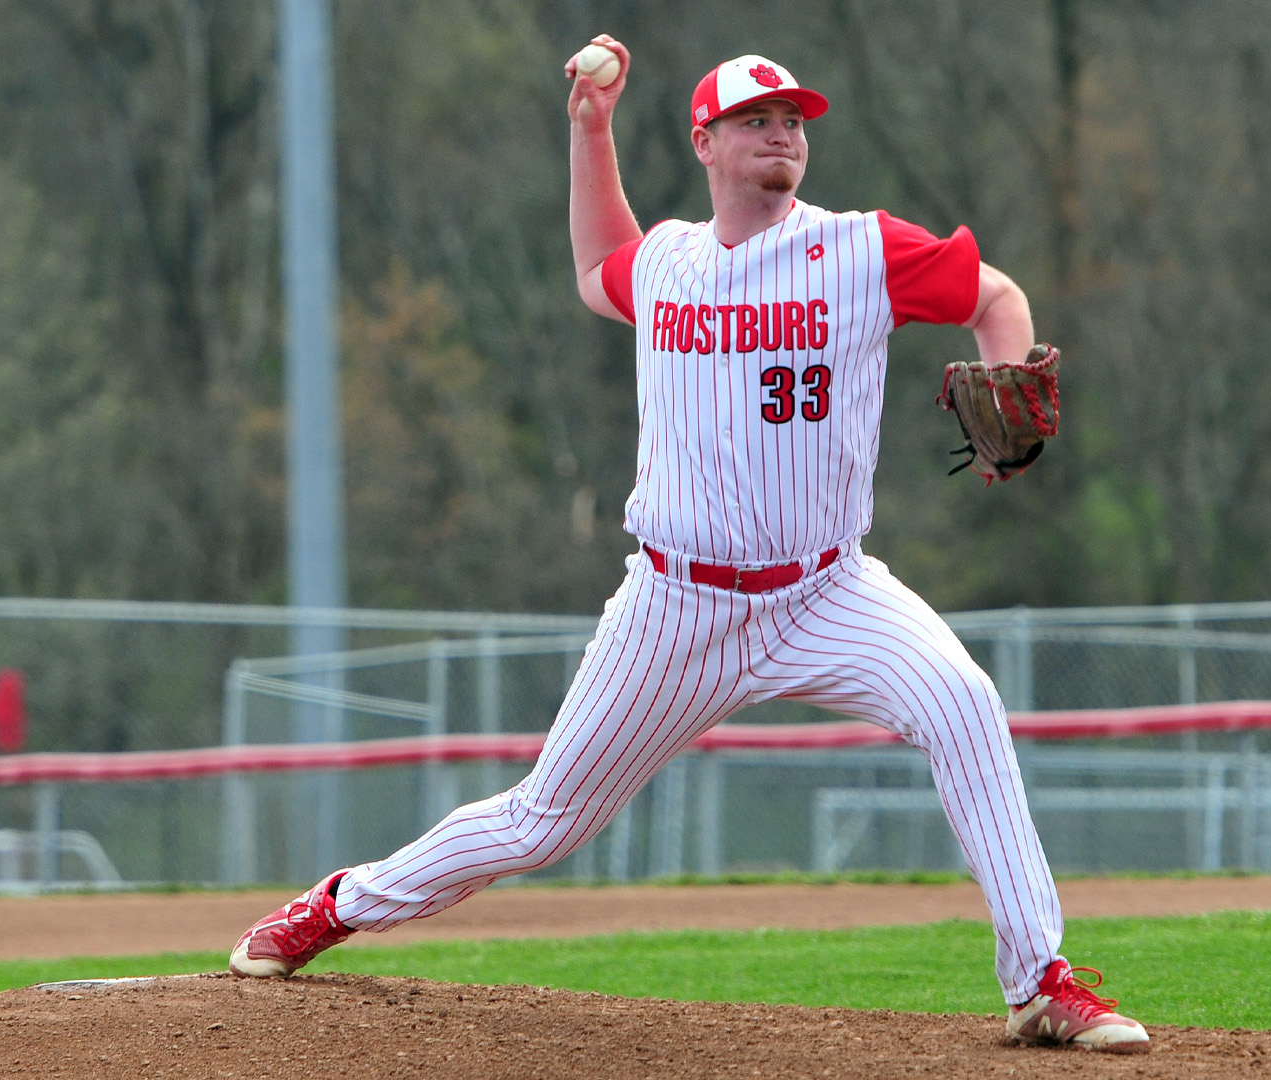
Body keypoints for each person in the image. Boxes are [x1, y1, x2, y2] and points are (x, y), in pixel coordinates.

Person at [227, 36, 1148, 1054]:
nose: (782, 134)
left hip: (827, 591)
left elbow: (996, 297)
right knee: (545, 821)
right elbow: (592, 267)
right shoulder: (666, 262)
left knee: (965, 705)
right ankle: (336, 907)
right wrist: (591, 131)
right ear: (706, 141)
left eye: (794, 121)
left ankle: (1041, 983)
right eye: (758, 120)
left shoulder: (860, 248)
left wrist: (1006, 370)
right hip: (678, 606)